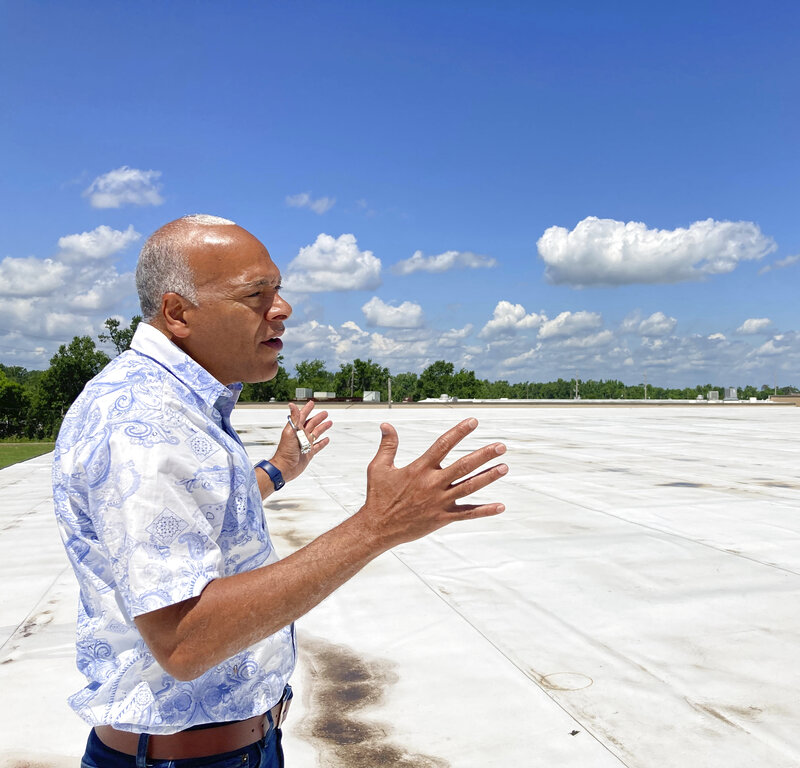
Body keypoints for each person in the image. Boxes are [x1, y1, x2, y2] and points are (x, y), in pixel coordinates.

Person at [52, 214, 508, 767]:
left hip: (228, 746)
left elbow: (194, 516)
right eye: (255, 294)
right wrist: (377, 526)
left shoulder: (172, 404)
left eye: (278, 289)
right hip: (187, 759)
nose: (282, 309)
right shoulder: (143, 424)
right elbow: (184, 641)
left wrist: (279, 469)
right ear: (177, 313)